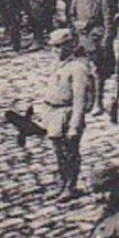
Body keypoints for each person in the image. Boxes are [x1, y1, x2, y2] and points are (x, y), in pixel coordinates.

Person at [39, 27, 96, 202]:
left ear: (70, 45)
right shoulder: (57, 65)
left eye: (60, 46)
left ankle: (71, 186)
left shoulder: (78, 68)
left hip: (67, 114)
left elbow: (80, 99)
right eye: (54, 47)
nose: (56, 50)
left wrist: (75, 125)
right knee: (58, 153)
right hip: (53, 113)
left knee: (70, 152)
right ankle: (61, 184)